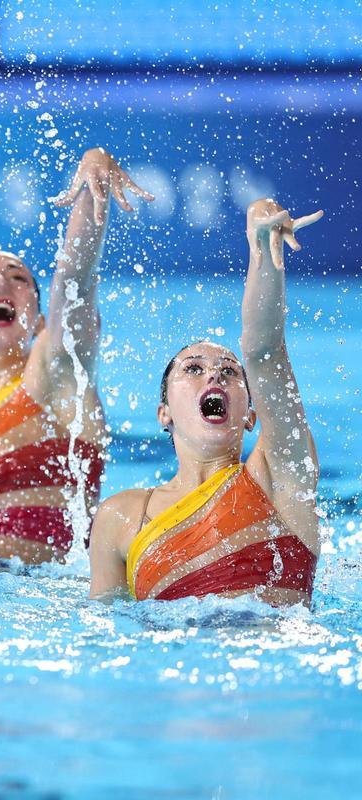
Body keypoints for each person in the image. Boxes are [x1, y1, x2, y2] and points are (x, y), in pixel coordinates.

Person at [0, 148, 153, 565]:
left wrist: (92, 181)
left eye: (18, 278)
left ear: (40, 322)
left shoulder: (57, 382)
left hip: (46, 602)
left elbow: (75, 281)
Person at [88, 199, 321, 605]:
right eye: (192, 369)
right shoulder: (122, 516)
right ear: (164, 414)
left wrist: (261, 239)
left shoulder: (279, 479)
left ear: (250, 416)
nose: (214, 375)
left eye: (229, 372)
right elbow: (99, 631)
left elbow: (265, 351)